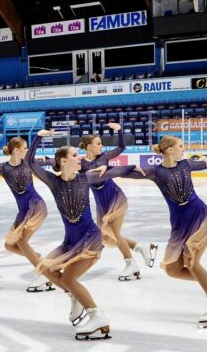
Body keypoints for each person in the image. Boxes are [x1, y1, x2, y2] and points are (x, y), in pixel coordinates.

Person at [27, 131, 135, 340]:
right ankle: (75, 296)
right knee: (46, 269)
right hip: (70, 241)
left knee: (68, 277)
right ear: (64, 161)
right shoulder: (53, 182)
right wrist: (38, 138)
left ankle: (97, 316)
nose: (80, 159)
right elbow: (31, 162)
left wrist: (115, 168)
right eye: (76, 156)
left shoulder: (87, 177)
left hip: (90, 239)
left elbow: (121, 170)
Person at [121, 135, 207, 328]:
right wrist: (127, 168)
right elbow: (123, 174)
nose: (184, 149)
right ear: (170, 149)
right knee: (173, 268)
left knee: (191, 260)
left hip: (198, 216)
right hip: (179, 224)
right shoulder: (156, 172)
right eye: (181, 146)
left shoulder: (186, 165)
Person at [79, 124, 156, 281]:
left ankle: (131, 264)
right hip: (101, 204)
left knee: (114, 232)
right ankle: (140, 247)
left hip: (115, 197)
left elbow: (121, 146)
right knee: (105, 237)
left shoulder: (104, 157)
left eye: (101, 143)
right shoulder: (82, 164)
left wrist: (119, 130)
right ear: (89, 147)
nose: (102, 146)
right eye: (98, 143)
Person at [0, 137, 51, 292]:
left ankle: (43, 274)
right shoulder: (3, 167)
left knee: (22, 241)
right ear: (16, 150)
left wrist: (47, 158)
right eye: (24, 148)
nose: (27, 151)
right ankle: (39, 259)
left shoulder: (29, 163)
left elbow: (51, 161)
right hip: (23, 211)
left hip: (35, 206)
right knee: (9, 245)